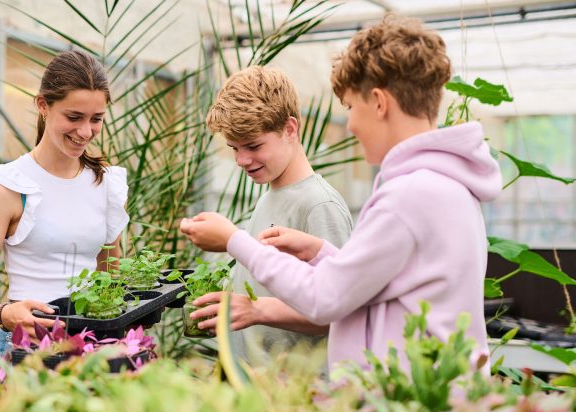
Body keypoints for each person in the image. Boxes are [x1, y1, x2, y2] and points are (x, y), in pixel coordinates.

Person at [180, 14, 501, 371]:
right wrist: (321, 252)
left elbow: (329, 299)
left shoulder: (410, 195)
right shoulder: (442, 183)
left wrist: (235, 240)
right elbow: (375, 282)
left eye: (350, 107)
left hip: (419, 400)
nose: (349, 124)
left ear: (379, 103)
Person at [0, 50, 129, 356]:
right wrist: (4, 314)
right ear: (42, 105)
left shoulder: (106, 184)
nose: (85, 131)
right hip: (29, 347)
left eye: (96, 119)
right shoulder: (8, 186)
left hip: (93, 347)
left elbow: (109, 280)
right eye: (73, 117)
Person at [183, 66, 352, 369]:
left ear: (289, 128)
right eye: (234, 148)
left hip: (300, 393)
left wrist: (256, 310)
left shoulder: (319, 204)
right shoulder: (270, 194)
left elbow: (342, 311)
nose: (242, 160)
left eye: (253, 146)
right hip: (261, 381)